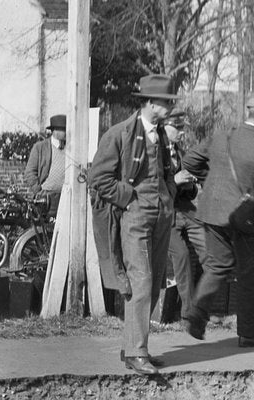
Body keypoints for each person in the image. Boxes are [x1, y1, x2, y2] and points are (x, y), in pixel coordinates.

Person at [89, 74, 178, 376]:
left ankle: (134, 348)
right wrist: (128, 199)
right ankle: (137, 352)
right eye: (167, 103)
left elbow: (166, 171)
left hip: (161, 215)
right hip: (135, 216)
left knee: (154, 284)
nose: (170, 108)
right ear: (151, 103)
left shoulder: (162, 135)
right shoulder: (120, 134)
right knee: (140, 281)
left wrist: (168, 196)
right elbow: (99, 179)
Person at [180, 94, 254, 348]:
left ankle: (196, 314)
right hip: (245, 217)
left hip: (212, 209)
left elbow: (189, 161)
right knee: (248, 273)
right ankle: (247, 334)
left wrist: (212, 183)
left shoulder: (223, 135)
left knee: (217, 266)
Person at [164, 108, 203, 322]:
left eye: (181, 128)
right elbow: (150, 187)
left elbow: (191, 189)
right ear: (164, 127)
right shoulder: (154, 151)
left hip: (185, 209)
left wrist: (190, 184)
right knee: (182, 255)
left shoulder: (180, 152)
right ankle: (189, 312)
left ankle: (209, 306)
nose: (181, 132)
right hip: (166, 214)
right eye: (177, 127)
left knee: (213, 247)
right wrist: (175, 181)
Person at [24, 114, 67, 217]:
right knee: (45, 230)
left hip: (66, 196)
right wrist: (38, 191)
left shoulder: (71, 147)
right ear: (54, 131)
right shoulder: (40, 147)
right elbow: (29, 172)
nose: (66, 132)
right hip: (47, 197)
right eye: (63, 129)